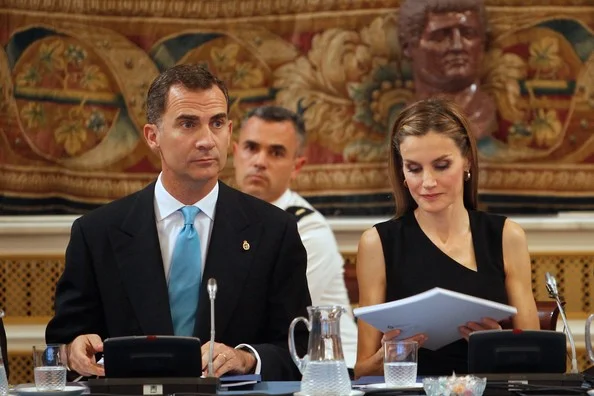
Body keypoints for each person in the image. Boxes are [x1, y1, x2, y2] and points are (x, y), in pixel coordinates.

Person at [45, 64, 311, 381]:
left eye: (217, 123)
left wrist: (245, 358)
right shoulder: (97, 232)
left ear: (229, 131)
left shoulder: (274, 231)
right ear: (153, 136)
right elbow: (61, 344)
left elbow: (299, 350)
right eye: (188, 124)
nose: (207, 140)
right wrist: (73, 348)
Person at [354, 98, 539, 377]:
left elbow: (536, 356)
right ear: (402, 172)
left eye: (441, 166)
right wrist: (389, 356)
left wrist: (499, 345)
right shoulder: (377, 243)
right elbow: (362, 371)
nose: (427, 182)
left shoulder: (506, 236)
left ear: (467, 161)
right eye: (414, 169)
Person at [233, 105, 358, 369]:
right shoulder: (224, 218)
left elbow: (274, 319)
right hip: (268, 365)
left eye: (276, 152)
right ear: (235, 152)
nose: (259, 161)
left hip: (333, 373)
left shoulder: (308, 229)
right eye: (251, 148)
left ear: (296, 166)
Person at [398, 0, 497, 142]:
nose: (457, 46)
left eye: (468, 34)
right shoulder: (406, 120)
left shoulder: (484, 114)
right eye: (440, 36)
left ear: (484, 43)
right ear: (407, 46)